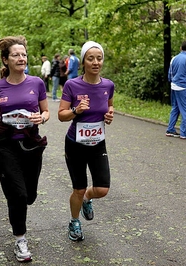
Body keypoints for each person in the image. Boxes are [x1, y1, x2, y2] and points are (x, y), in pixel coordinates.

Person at [0, 35, 49, 262]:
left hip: (31, 145)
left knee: (29, 195)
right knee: (17, 194)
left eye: (23, 54)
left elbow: (46, 111)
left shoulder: (37, 83)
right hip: (5, 146)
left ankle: (22, 207)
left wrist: (42, 117)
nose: (21, 58)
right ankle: (20, 240)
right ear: (5, 60)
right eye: (16, 55)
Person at [58, 41, 114, 242]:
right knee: (78, 189)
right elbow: (61, 115)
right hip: (75, 144)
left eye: (99, 58)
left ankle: (87, 199)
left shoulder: (108, 85)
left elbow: (109, 107)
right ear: (83, 62)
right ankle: (74, 221)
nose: (95, 62)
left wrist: (109, 115)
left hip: (98, 143)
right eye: (90, 58)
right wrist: (76, 110)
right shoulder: (72, 85)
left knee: (102, 189)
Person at [165, 41, 186, 139]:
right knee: (185, 109)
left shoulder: (174, 59)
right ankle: (184, 133)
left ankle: (170, 129)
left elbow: (170, 73)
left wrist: (172, 81)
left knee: (175, 108)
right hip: (183, 87)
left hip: (174, 85)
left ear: (181, 48)